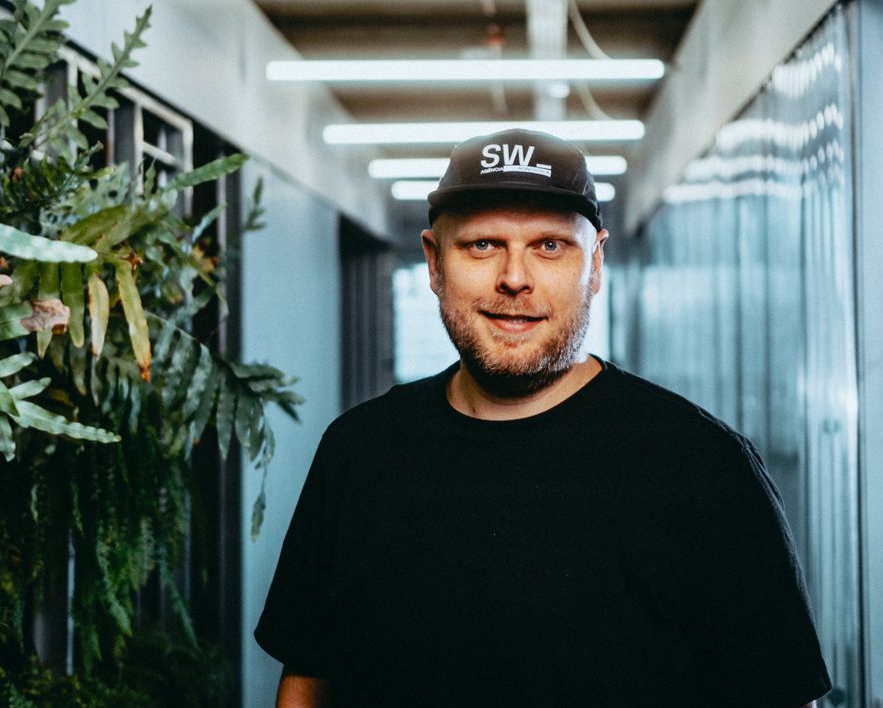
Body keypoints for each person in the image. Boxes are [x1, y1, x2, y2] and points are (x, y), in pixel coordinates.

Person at [255, 129, 831, 708]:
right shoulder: (360, 452)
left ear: (595, 263)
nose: (515, 277)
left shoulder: (704, 469)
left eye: (550, 246)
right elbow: (309, 679)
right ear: (434, 262)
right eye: (482, 245)